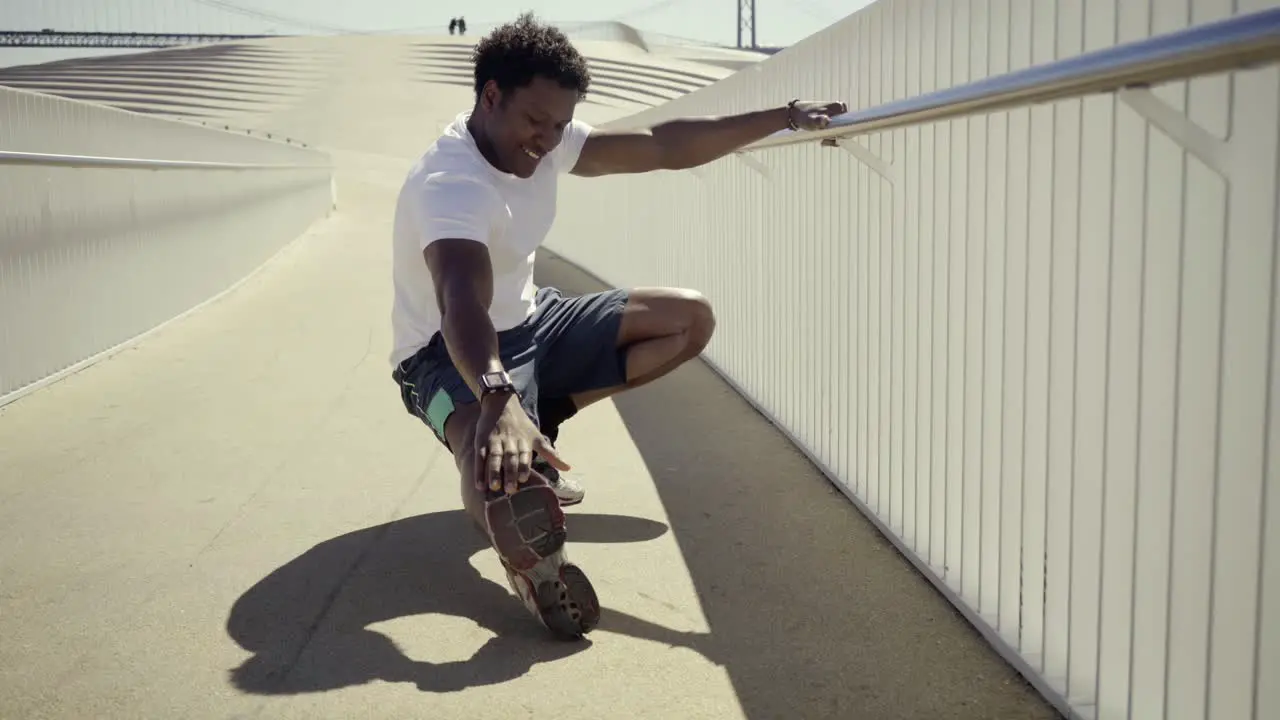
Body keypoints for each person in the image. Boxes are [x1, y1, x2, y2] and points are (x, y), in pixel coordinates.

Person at [389, 12, 846, 639]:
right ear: (490, 96)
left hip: (533, 320)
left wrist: (785, 116)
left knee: (688, 319)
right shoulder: (452, 185)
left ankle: (538, 417)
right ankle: (533, 560)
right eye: (535, 121)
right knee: (486, 455)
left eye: (559, 124)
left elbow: (660, 143)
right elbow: (460, 301)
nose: (549, 140)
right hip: (445, 353)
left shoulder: (544, 135)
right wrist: (496, 396)